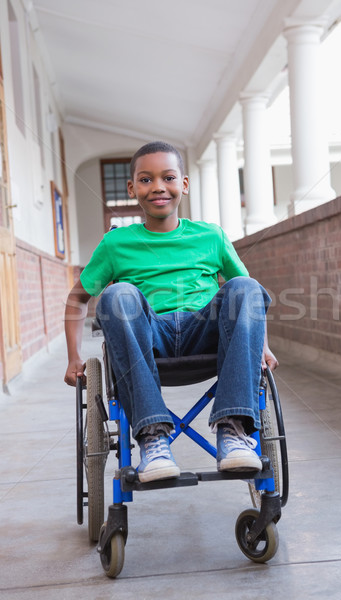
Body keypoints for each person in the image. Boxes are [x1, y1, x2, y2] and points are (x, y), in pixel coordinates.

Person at [64, 141, 278, 484]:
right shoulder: (116, 243)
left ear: (184, 184)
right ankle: (152, 437)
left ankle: (234, 430)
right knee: (118, 294)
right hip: (148, 337)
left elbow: (248, 299)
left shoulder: (211, 235)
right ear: (132, 188)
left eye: (168, 178)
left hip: (203, 332)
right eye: (146, 180)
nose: (158, 187)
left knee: (246, 287)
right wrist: (74, 357)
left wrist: (261, 346)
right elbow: (77, 299)